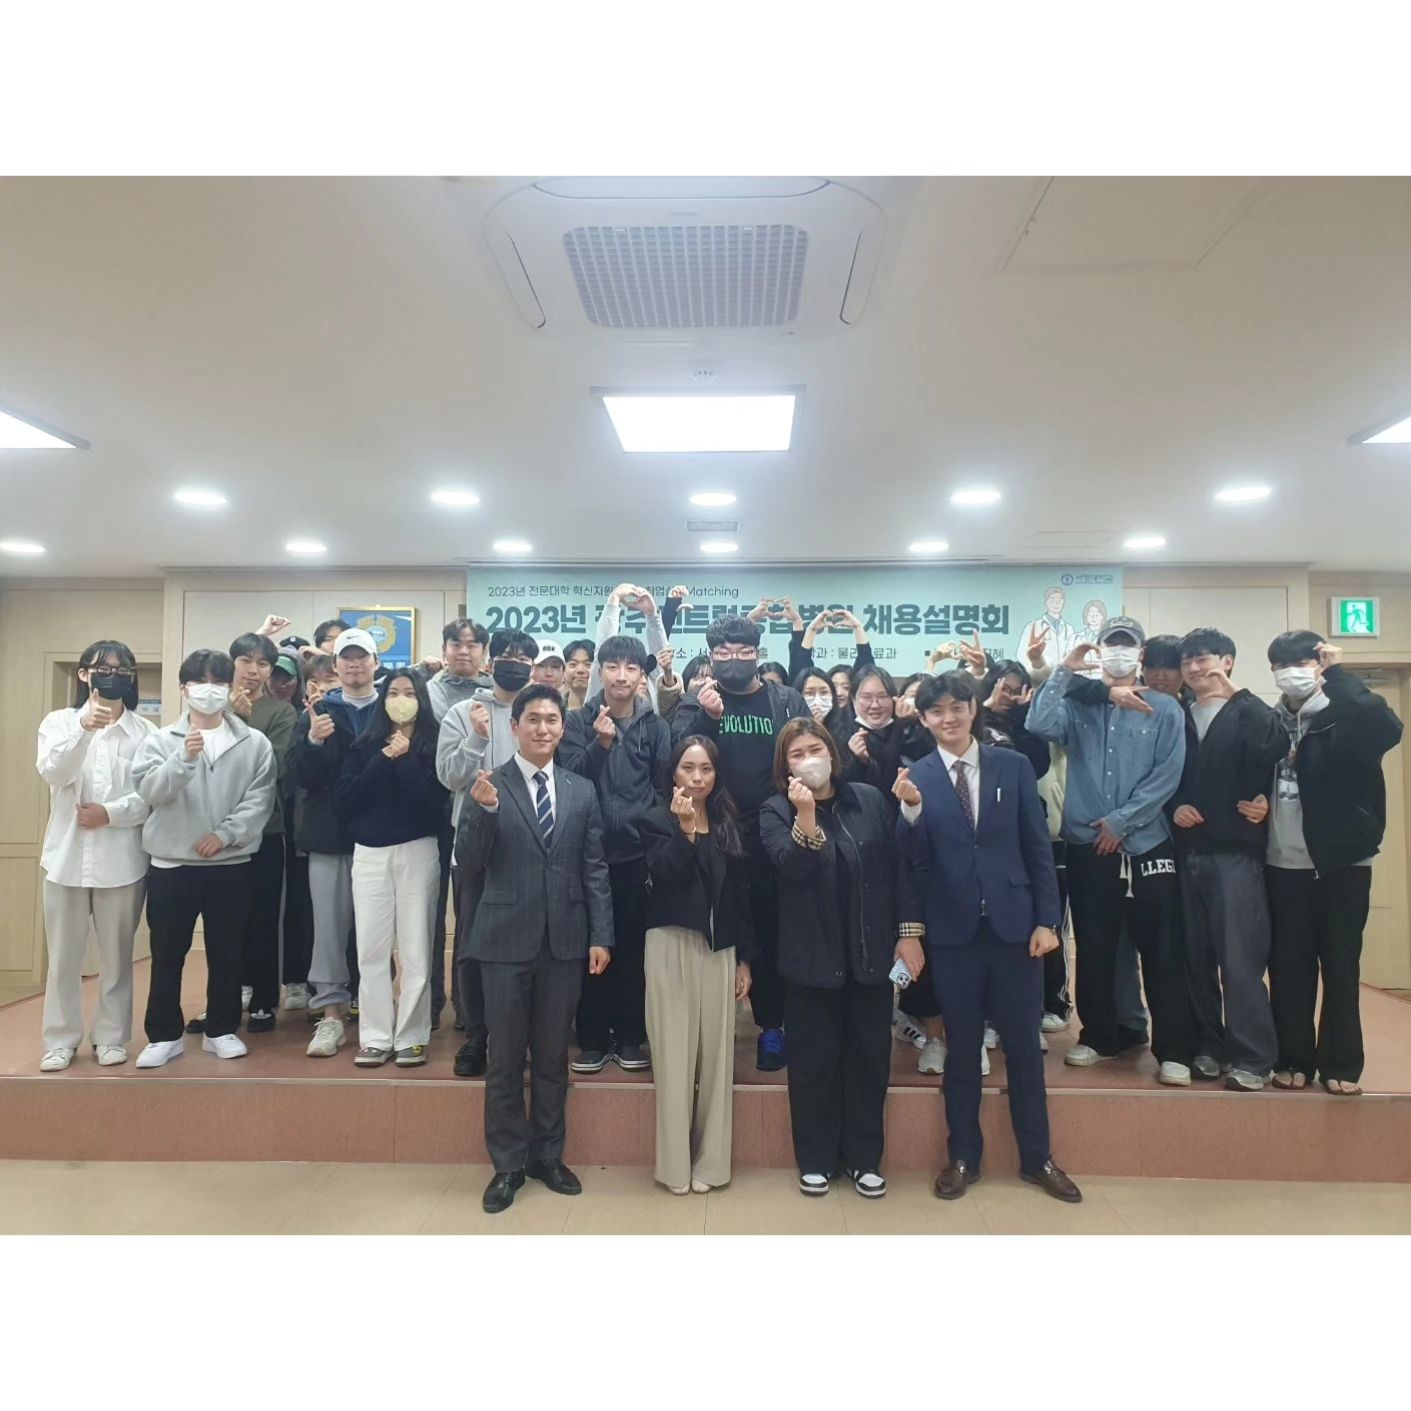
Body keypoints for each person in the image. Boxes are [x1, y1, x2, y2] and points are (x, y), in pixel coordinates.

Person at [897, 672, 1081, 1203]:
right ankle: (963, 1157)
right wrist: (909, 812)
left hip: (1016, 929)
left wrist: (1047, 920)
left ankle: (1038, 1158)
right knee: (961, 1049)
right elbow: (910, 863)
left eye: (957, 707)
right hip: (952, 933)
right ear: (924, 719)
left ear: (973, 709)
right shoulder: (916, 778)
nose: (948, 718)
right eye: (937, 711)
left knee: (1023, 1046)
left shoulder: (1013, 766)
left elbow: (1037, 848)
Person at [457, 685, 614, 1213]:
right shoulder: (489, 784)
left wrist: (601, 935)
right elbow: (469, 864)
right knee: (505, 1058)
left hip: (565, 941)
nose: (543, 728)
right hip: (504, 941)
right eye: (533, 719)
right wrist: (482, 813)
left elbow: (594, 867)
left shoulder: (580, 789)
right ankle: (507, 1164)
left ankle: (548, 1156)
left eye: (551, 720)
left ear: (562, 728)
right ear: (514, 726)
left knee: (551, 1056)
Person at [760, 718, 922, 1198]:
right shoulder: (774, 810)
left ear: (832, 753)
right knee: (814, 1063)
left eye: (815, 749)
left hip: (870, 954)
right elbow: (793, 868)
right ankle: (816, 1160)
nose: (809, 759)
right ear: (784, 767)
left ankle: (864, 1159)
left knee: (869, 1060)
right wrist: (805, 815)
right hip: (810, 958)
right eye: (796, 754)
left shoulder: (868, 799)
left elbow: (898, 868)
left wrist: (909, 933)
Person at [1028, 616, 1192, 1084]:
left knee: (1161, 949)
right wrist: (1066, 668)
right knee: (1095, 946)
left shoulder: (1165, 708)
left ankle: (1174, 1049)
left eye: (1128, 645)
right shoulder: (1079, 704)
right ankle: (1098, 1036)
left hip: (1147, 844)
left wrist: (1122, 821)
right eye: (1111, 644)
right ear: (1101, 650)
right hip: (1088, 845)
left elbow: (1168, 773)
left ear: (1140, 653)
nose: (1119, 652)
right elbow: (1037, 721)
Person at [1264, 632, 1403, 1095]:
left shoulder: (1348, 714)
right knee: (1289, 967)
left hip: (1342, 862)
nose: (1292, 671)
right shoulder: (1271, 722)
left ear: (1321, 664)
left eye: (1303, 661)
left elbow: (1387, 729)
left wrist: (1340, 675)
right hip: (1282, 863)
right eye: (1281, 664)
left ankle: (1341, 1063)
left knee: (1341, 966)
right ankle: (1293, 1059)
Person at [670, 614, 809, 1070]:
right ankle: (710, 1030)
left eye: (743, 652)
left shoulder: (784, 699)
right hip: (715, 829)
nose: (734, 659)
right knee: (719, 927)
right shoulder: (697, 700)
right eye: (724, 652)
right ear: (711, 657)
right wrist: (708, 718)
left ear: (757, 653)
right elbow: (678, 754)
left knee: (771, 927)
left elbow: (806, 750)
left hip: (773, 827)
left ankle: (773, 1026)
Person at [131, 649, 276, 1067]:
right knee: (167, 954)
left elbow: (260, 799)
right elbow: (150, 792)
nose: (209, 691)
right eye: (199, 682)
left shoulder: (253, 742)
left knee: (228, 952)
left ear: (230, 688)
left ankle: (222, 1029)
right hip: (171, 865)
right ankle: (163, 1035)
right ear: (184, 689)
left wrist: (225, 835)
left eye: (218, 683)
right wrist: (183, 759)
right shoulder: (160, 741)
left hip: (230, 865)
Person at [1168, 629, 1287, 1090]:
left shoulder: (1248, 711)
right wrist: (1174, 805)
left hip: (1235, 852)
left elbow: (1273, 747)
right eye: (1188, 662)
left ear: (1228, 661)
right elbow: (1162, 775)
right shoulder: (1177, 715)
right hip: (1187, 852)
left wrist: (1237, 694)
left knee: (1240, 961)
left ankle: (1253, 1058)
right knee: (1195, 959)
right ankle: (1209, 1046)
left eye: (1205, 659)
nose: (1195, 668)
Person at [638, 737, 753, 1194]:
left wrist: (744, 960)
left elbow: (740, 898)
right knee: (674, 1059)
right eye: (688, 767)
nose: (697, 777)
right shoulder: (654, 820)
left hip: (719, 951)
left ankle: (712, 1165)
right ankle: (674, 1167)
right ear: (673, 772)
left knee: (717, 1061)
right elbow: (663, 877)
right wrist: (685, 831)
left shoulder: (727, 822)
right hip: (669, 945)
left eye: (705, 769)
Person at [35, 641, 156, 1071]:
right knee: (63, 959)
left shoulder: (146, 733)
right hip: (65, 860)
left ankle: (111, 1037)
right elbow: (54, 772)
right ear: (84, 674)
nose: (112, 676)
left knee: (118, 959)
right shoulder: (58, 722)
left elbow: (149, 796)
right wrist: (85, 729)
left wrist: (110, 813)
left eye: (123, 670)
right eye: (103, 668)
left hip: (122, 860)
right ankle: (60, 1040)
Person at [558, 635, 672, 1072]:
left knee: (632, 948)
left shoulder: (655, 727)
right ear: (599, 672)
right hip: (588, 853)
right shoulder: (576, 722)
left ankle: (629, 1037)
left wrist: (651, 836)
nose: (621, 676)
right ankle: (591, 1037)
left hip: (637, 855)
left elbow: (663, 788)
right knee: (592, 945)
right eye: (613, 666)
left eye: (631, 667)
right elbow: (569, 780)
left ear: (642, 675)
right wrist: (600, 745)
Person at [437, 628, 538, 1075]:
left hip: (530, 849)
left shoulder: (540, 713)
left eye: (524, 658)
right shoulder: (463, 712)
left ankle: (522, 1033)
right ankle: (476, 1034)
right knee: (472, 944)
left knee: (527, 945)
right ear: (491, 663)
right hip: (475, 848)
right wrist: (477, 738)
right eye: (507, 656)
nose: (515, 663)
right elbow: (449, 776)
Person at [335, 669, 447, 1066]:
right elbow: (349, 798)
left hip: (418, 850)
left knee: (417, 948)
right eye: (393, 692)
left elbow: (433, 803)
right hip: (370, 854)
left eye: (409, 693)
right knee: (371, 949)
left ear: (421, 699)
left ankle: (412, 1035)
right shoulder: (364, 745)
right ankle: (375, 1036)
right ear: (382, 700)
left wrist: (406, 760)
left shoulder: (434, 743)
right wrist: (385, 758)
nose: (401, 700)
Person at [291, 628, 384, 1058]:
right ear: (336, 665)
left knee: (380, 930)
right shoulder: (319, 710)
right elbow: (299, 778)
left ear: (376, 663)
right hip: (329, 836)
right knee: (328, 927)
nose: (354, 664)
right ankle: (330, 1013)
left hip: (383, 835)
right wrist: (313, 741)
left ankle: (377, 1009)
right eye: (347, 657)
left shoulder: (393, 707)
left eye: (362, 656)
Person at [224, 631, 297, 1034]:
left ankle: (264, 1001)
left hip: (265, 831)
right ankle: (224, 996)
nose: (253, 671)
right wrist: (228, 716)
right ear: (232, 663)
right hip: (214, 832)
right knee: (224, 920)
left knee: (263, 917)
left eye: (263, 664)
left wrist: (240, 722)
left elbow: (274, 768)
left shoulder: (280, 712)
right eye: (246, 661)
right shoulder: (212, 707)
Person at [423, 618, 493, 1030]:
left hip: (476, 812)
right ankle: (433, 1002)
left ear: (484, 652)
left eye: (472, 644)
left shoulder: (496, 694)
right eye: (455, 643)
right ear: (444, 649)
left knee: (471, 914)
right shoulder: (427, 691)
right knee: (434, 916)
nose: (463, 651)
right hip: (432, 813)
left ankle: (468, 1006)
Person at [1014, 586, 1079, 671]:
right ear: (1045, 602)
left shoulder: (1069, 629)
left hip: (1063, 676)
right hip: (1040, 676)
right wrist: (1036, 666)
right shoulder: (1033, 627)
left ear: (1064, 603)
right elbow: (1021, 655)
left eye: (1059, 600)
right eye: (1052, 600)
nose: (1056, 603)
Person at [563, 639, 595, 711]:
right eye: (573, 664)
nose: (580, 670)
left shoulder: (609, 710)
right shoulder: (553, 707)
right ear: (563, 670)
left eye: (588, 664)